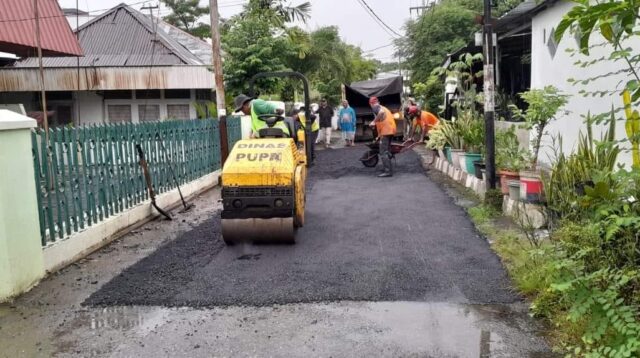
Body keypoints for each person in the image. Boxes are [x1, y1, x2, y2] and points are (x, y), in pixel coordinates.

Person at [369, 97, 397, 178]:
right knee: (387, 151)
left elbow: (380, 113)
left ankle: (388, 171)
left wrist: (373, 122)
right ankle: (388, 168)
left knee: (383, 152)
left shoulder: (375, 107)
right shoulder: (383, 107)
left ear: (371, 104)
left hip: (386, 131)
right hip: (391, 131)